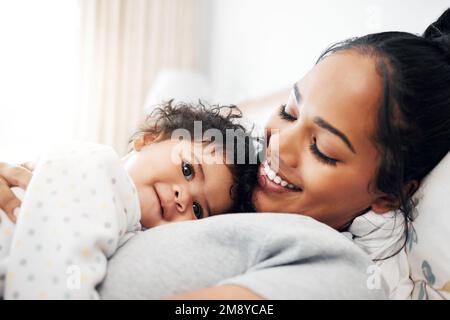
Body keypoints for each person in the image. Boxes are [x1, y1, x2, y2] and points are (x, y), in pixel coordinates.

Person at [1, 8, 449, 300]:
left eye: (323, 149)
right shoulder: (234, 172)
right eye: (289, 112)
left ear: (389, 194)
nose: (279, 145)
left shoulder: (338, 273)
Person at [0, 101, 258, 299]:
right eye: (188, 169)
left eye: (198, 209)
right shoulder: (100, 171)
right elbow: (55, 273)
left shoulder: (128, 220)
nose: (184, 197)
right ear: (147, 140)